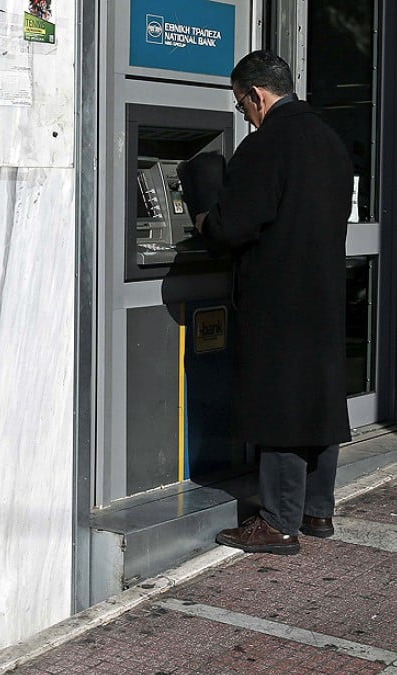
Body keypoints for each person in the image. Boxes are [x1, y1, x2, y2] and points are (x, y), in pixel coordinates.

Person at [190, 51, 352, 555]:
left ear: (257, 95)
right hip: (324, 293)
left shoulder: (267, 146)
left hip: (278, 297)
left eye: (242, 107)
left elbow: (231, 227)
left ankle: (279, 523)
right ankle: (315, 510)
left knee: (280, 404)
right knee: (318, 396)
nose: (245, 116)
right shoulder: (331, 141)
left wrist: (200, 217)